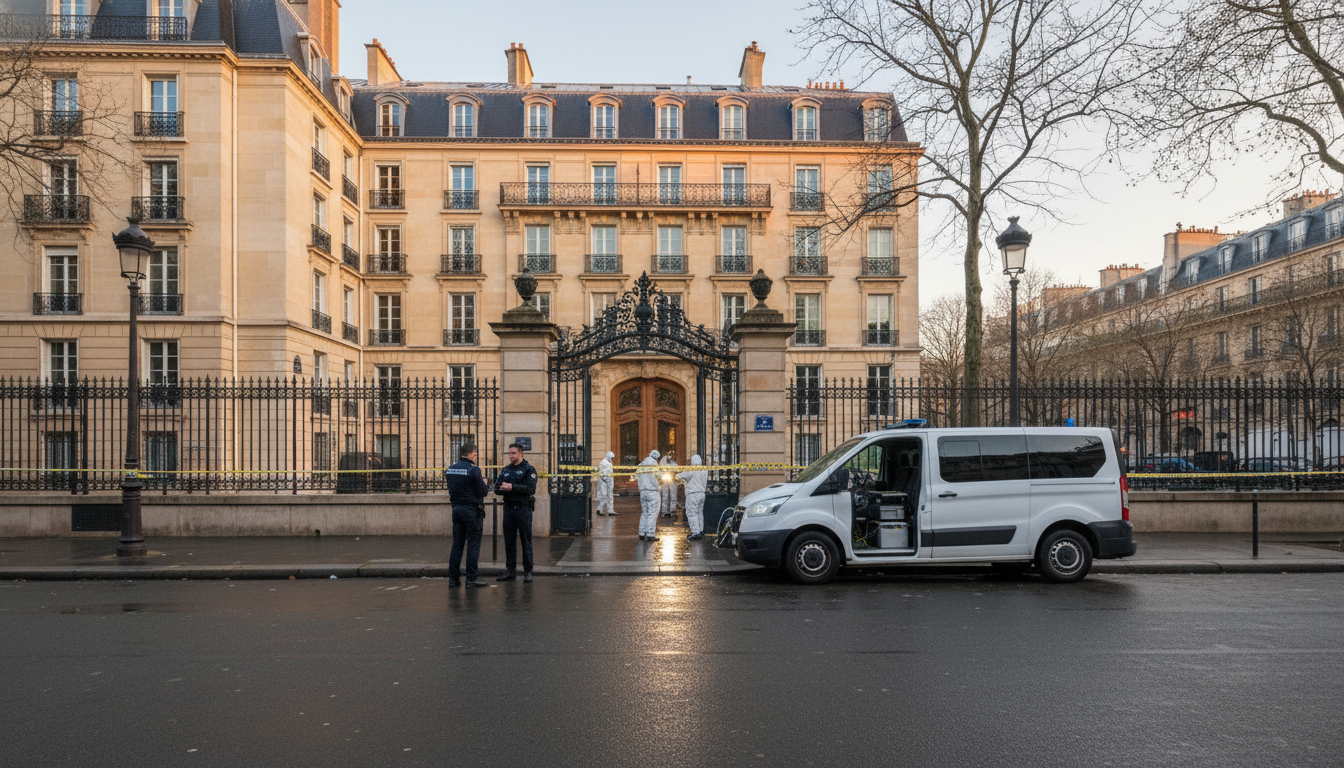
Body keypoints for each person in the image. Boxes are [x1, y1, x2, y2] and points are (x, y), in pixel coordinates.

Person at [444, 442, 489, 588]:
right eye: (476, 454)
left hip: (456, 509)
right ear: (473, 454)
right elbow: (483, 492)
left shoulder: (450, 469)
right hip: (471, 510)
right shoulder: (473, 470)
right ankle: (471, 578)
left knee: (457, 544)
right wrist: (484, 482)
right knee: (473, 544)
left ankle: (453, 579)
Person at [494, 442, 538, 582]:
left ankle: (528, 571)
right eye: (509, 453)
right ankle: (510, 571)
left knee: (526, 540)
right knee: (509, 541)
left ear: (521, 453)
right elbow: (496, 488)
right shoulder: (506, 470)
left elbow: (530, 489)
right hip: (509, 509)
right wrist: (505, 488)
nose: (511, 456)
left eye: (513, 453)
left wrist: (512, 487)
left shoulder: (528, 469)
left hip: (523, 509)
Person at [677, 454, 708, 540]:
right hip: (702, 493)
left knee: (691, 513)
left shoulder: (692, 470)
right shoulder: (704, 470)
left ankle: (695, 532)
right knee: (699, 513)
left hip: (693, 494)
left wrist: (676, 475)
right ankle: (700, 530)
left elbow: (681, 475)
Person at [637, 449, 661, 541]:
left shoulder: (641, 465)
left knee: (645, 512)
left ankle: (642, 532)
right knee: (653, 513)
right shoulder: (654, 464)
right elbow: (658, 477)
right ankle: (650, 533)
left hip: (643, 491)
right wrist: (659, 485)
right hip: (653, 491)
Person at [659, 451, 679, 519]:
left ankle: (672, 510)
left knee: (673, 495)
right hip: (665, 480)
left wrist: (674, 475)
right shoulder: (663, 461)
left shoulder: (674, 463)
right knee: (665, 495)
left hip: (672, 480)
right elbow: (660, 469)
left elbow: (677, 470)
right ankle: (664, 511)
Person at [596, 451, 615, 516]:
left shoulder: (603, 462)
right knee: (607, 497)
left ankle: (602, 509)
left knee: (605, 496)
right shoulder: (607, 464)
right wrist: (608, 482)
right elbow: (606, 474)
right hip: (606, 482)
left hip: (603, 481)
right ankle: (608, 510)